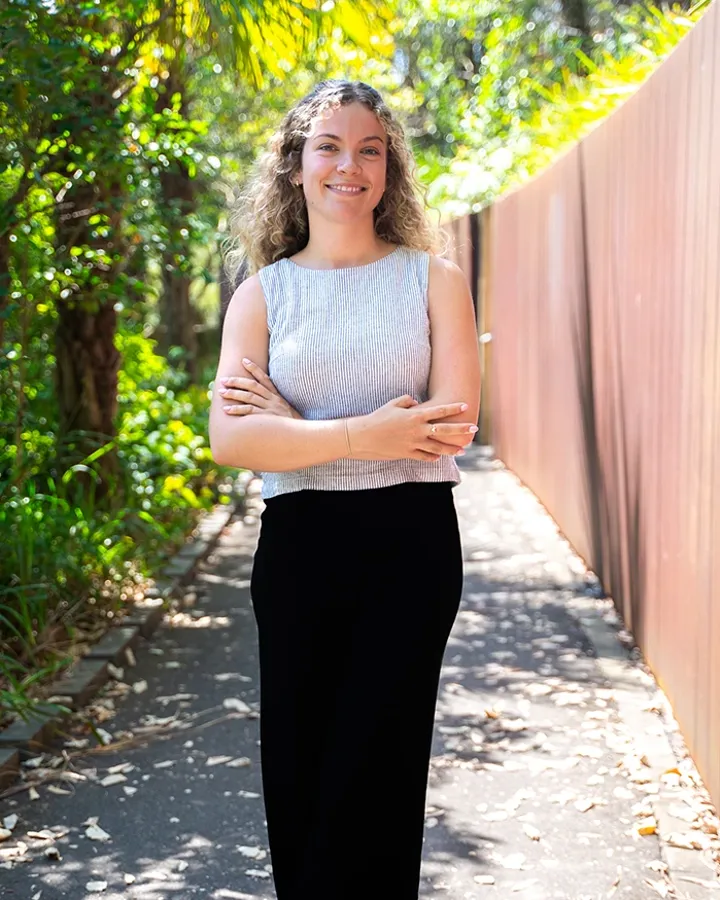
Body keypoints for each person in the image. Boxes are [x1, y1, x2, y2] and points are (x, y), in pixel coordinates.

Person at [209, 79, 481, 900]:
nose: (348, 166)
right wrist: (367, 434)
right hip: (299, 551)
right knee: (300, 769)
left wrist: (293, 426)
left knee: (379, 770)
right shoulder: (261, 296)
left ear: (389, 169)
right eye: (328, 147)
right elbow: (232, 440)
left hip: (412, 543)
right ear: (295, 167)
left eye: (369, 150)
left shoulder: (433, 281)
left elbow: (452, 424)